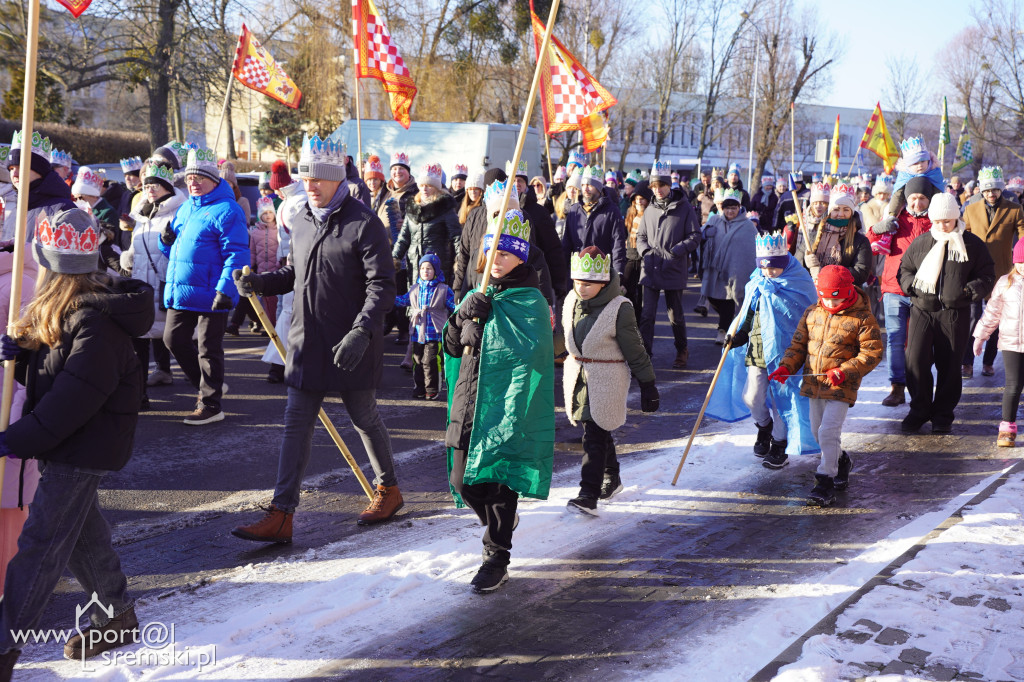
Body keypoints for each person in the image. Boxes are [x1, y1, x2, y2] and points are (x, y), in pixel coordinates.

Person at [0, 208, 154, 673]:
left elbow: (73, 399)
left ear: (53, 270)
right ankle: (116, 611)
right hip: (69, 440)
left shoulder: (98, 324)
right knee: (83, 531)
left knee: (42, 543)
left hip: (83, 443)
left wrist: (15, 439)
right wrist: (25, 355)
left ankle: (5, 644)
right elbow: (56, 369)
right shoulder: (71, 311)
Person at [230, 133, 402, 542]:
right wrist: (260, 283)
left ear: (337, 179)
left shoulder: (364, 223)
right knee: (296, 424)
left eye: (318, 179)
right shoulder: (304, 218)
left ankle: (389, 489)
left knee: (363, 418)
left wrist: (362, 331)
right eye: (305, 178)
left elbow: (384, 286)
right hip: (307, 341)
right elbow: (296, 272)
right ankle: (282, 513)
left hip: (351, 344)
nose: (309, 185)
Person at [443, 208, 554, 592]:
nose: (496, 261)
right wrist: (462, 321)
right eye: (491, 253)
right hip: (469, 399)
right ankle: (498, 525)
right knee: (463, 480)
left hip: (506, 404)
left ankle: (497, 557)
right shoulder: (477, 291)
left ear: (520, 257)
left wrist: (488, 332)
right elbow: (452, 348)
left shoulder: (530, 300)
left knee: (499, 481)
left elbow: (533, 352)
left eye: (504, 254)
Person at [769, 265, 882, 506]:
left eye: (837, 299)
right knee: (816, 431)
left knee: (828, 432)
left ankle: (824, 481)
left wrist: (844, 371)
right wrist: (786, 367)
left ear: (848, 292)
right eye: (826, 299)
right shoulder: (812, 312)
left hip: (842, 387)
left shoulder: (862, 317)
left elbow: (872, 353)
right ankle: (841, 461)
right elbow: (798, 346)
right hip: (814, 383)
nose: (831, 305)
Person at [706, 231, 818, 469]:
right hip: (758, 348)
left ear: (784, 262)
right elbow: (748, 312)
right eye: (765, 268)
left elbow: (808, 317)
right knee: (752, 396)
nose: (769, 273)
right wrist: (738, 335)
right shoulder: (757, 280)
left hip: (788, 354)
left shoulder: (799, 282)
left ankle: (779, 444)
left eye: (774, 268)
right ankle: (764, 426)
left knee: (782, 399)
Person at [561, 245, 657, 514]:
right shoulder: (571, 301)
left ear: (603, 282)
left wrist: (647, 384)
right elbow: (568, 337)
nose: (582, 288)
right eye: (579, 282)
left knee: (594, 435)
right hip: (579, 374)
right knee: (596, 429)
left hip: (607, 378)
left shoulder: (620, 308)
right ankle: (611, 477)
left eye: (589, 283)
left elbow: (635, 348)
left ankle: (588, 494)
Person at [159, 147, 250, 425]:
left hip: (213, 293)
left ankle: (211, 404)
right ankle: (207, 385)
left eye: (199, 177)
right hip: (183, 290)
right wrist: (165, 240)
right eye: (189, 178)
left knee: (209, 349)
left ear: (214, 179)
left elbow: (236, 253)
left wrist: (226, 290)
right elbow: (174, 252)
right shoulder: (186, 207)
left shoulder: (228, 209)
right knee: (172, 339)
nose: (193, 182)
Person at [897, 193, 996, 434]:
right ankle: (919, 410)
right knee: (916, 361)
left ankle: (942, 414)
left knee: (950, 365)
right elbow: (904, 271)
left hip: (954, 312)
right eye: (938, 221)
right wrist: (912, 286)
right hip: (922, 309)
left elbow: (986, 274)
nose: (943, 225)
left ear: (956, 218)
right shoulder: (921, 242)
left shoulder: (972, 244)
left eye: (948, 221)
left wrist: (969, 291)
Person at [867, 176, 937, 407]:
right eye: (913, 198)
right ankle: (897, 387)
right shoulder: (895, 219)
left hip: (924, 291)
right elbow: (870, 240)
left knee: (919, 343)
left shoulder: (936, 221)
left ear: (930, 199)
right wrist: (877, 228)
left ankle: (918, 387)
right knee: (895, 340)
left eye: (922, 199)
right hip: (894, 288)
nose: (917, 204)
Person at [119, 162, 184, 407]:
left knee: (178, 340)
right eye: (146, 185)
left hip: (166, 286)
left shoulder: (179, 212)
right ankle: (140, 394)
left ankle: (207, 388)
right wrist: (128, 258)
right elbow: (137, 248)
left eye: (155, 184)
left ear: (167, 186)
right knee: (139, 342)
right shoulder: (142, 214)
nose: (149, 189)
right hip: (142, 288)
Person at [961, 166, 1024, 379]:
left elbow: (1023, 237)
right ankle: (967, 362)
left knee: (997, 317)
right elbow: (962, 239)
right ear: (980, 190)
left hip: (1002, 271)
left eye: (995, 190)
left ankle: (988, 362)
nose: (991, 194)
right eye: (987, 190)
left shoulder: (1014, 209)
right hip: (975, 271)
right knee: (972, 316)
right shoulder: (970, 209)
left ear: (1001, 189)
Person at [636, 160, 701, 367]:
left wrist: (677, 251)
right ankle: (645, 353)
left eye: (661, 186)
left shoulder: (684, 208)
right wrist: (645, 252)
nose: (658, 190)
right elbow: (641, 236)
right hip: (651, 268)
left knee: (675, 315)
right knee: (647, 315)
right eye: (654, 187)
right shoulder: (650, 209)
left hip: (673, 267)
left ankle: (682, 350)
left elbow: (695, 235)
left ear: (668, 185)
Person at [972, 239, 1024, 447]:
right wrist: (980, 336)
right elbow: (992, 313)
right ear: (1015, 262)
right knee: (1013, 385)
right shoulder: (1005, 282)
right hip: (1011, 343)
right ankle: (1007, 428)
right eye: (1021, 263)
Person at [700, 188, 757, 345]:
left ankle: (723, 330)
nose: (730, 211)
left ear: (739, 208)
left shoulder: (747, 226)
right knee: (713, 298)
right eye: (727, 208)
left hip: (736, 270)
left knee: (728, 300)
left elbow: (752, 249)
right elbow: (700, 235)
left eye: (733, 208)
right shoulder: (715, 220)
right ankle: (727, 321)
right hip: (715, 269)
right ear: (722, 208)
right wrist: (705, 234)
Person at [394, 253, 455, 399]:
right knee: (418, 360)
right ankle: (419, 387)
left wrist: (461, 309)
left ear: (436, 271)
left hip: (435, 332)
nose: (425, 271)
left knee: (431, 361)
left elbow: (453, 306)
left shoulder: (444, 289)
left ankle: (432, 389)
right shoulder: (415, 288)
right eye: (422, 268)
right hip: (417, 332)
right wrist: (388, 296)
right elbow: (403, 301)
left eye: (429, 268)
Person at [393, 162, 460, 287]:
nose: (424, 189)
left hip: (436, 263)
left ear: (436, 187)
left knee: (434, 300)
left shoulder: (445, 207)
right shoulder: (412, 207)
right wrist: (394, 258)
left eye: (428, 185)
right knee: (414, 298)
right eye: (422, 185)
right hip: (414, 263)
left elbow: (456, 236)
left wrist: (460, 261)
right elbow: (404, 238)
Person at [4, 131, 75, 243]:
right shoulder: (15, 206)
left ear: (40, 169)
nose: (14, 174)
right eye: (11, 168)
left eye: (20, 167)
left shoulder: (63, 210)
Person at [794, 183, 872, 286]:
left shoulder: (860, 241)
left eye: (846, 210)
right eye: (836, 209)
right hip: (814, 294)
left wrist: (825, 272)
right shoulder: (815, 235)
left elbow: (861, 273)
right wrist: (805, 261)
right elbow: (795, 266)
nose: (840, 214)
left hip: (844, 297)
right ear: (830, 211)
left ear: (852, 212)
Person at [561, 165, 627, 278]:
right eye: (583, 185)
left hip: (600, 272)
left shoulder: (611, 211)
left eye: (590, 185)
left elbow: (618, 244)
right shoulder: (574, 210)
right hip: (578, 272)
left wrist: (618, 273)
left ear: (599, 187)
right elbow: (566, 243)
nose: (585, 189)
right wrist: (562, 269)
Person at [622, 184, 651, 320]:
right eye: (637, 198)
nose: (639, 201)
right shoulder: (630, 214)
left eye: (642, 198)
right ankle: (631, 318)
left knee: (641, 295)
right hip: (631, 257)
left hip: (644, 259)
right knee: (625, 289)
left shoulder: (650, 215)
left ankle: (638, 322)